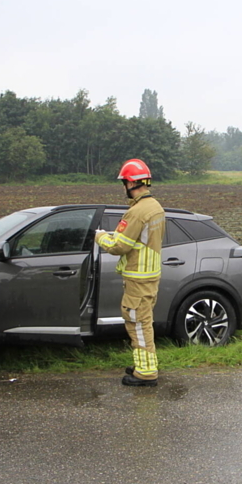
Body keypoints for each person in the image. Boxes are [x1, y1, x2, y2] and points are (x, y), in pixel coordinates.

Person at [95, 158, 166, 387]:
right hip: (150, 276)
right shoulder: (155, 207)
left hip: (138, 278)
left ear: (131, 183)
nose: (123, 187)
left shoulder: (137, 212)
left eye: (124, 182)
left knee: (138, 324)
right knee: (144, 322)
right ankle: (144, 365)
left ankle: (146, 373)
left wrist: (100, 236)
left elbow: (119, 246)